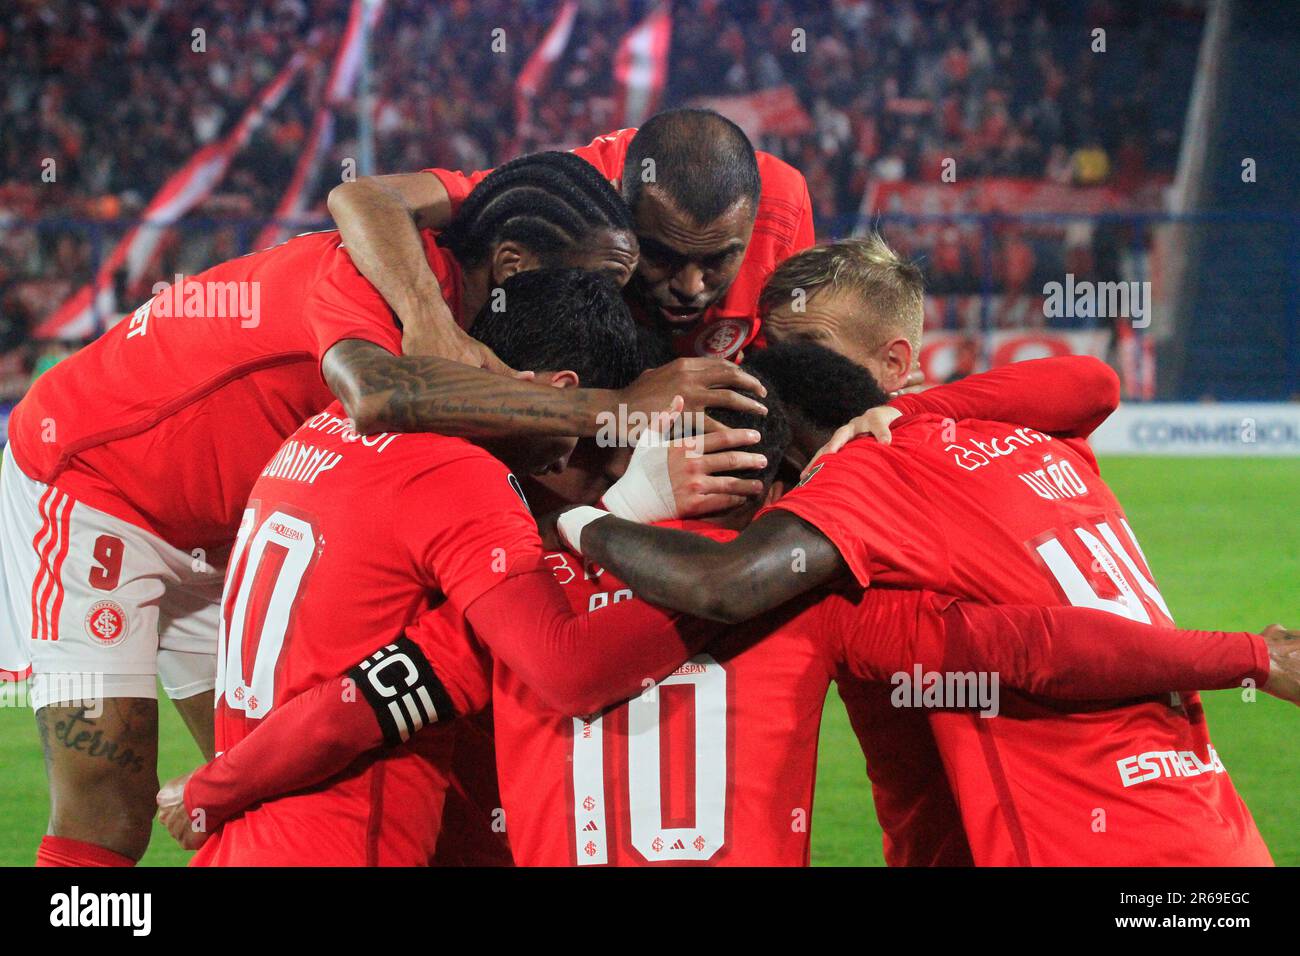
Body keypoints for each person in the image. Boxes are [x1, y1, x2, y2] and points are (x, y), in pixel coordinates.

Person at [159, 354, 1298, 866]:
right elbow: (1018, 644)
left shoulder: (507, 602)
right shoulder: (819, 599)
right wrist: (1248, 652)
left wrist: (210, 787)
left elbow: (348, 711)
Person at [2, 151, 760, 868]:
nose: (600, 307)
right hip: (90, 484)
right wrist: (615, 409)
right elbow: (379, 395)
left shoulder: (469, 268)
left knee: (257, 785)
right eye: (591, 285)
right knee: (108, 813)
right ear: (512, 267)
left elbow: (366, 193)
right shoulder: (363, 284)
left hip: (223, 526)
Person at [559, 342, 1278, 865]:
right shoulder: (1029, 440)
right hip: (1213, 835)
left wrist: (586, 517)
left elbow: (722, 584)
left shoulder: (860, 487)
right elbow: (1093, 381)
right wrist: (905, 409)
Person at [328, 108, 815, 365]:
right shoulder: (570, 194)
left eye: (715, 262)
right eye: (661, 256)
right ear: (620, 202)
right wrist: (428, 319)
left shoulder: (784, 202)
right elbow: (365, 198)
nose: (689, 286)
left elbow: (790, 358)